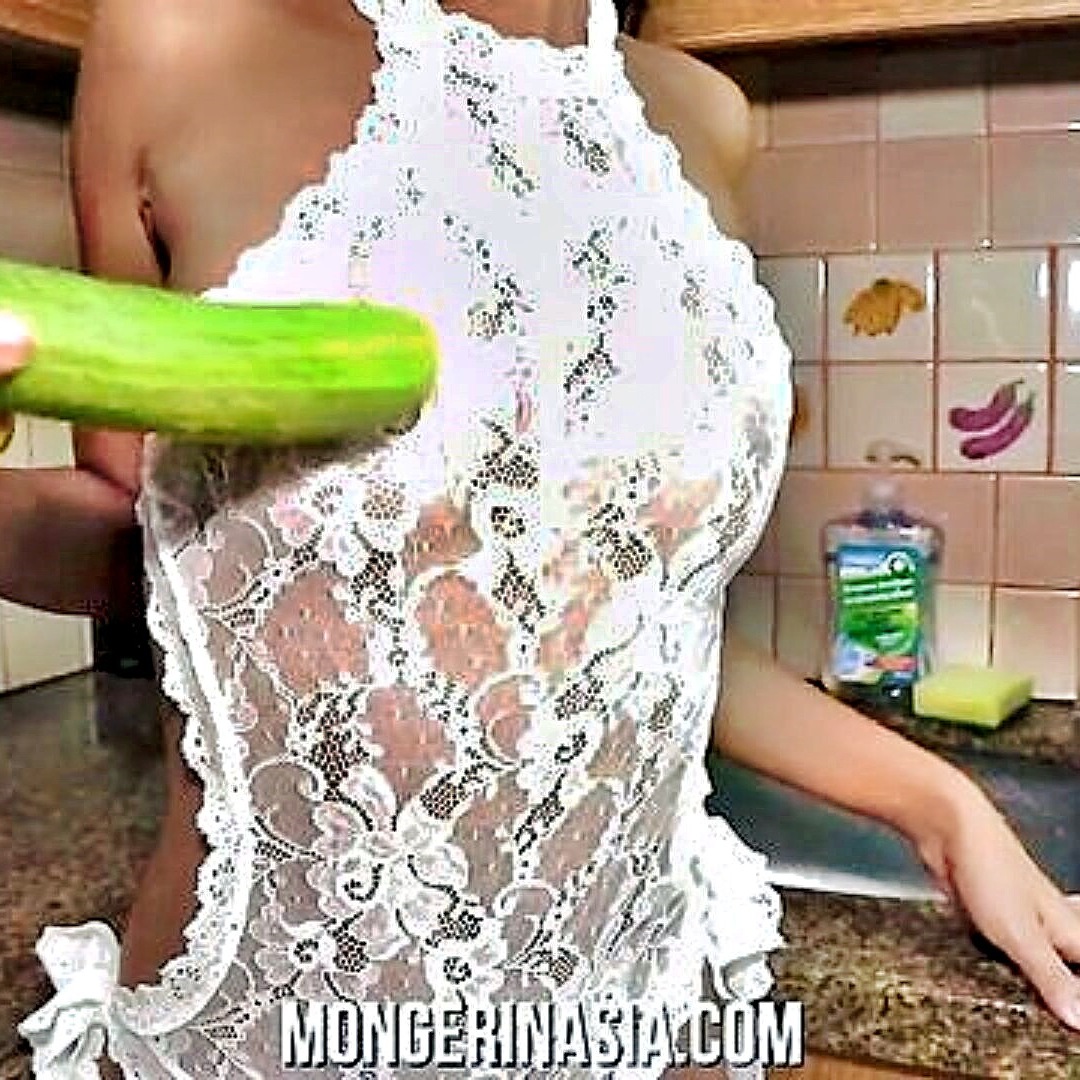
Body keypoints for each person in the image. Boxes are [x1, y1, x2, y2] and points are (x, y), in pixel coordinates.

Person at [0, 0, 1077, 1076]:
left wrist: (943, 806)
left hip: (637, 1015)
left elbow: (627, 625)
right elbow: (150, 555)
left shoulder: (702, 116)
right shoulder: (182, 40)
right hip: (275, 1034)